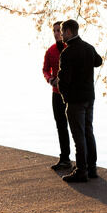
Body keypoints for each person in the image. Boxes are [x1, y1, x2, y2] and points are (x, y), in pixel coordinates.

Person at [56, 19, 103, 183]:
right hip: (89, 97)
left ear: (68, 32)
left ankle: (81, 170)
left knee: (78, 135)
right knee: (88, 131)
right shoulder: (88, 48)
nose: (61, 36)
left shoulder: (67, 53)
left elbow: (64, 80)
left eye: (62, 32)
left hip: (75, 100)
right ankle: (92, 168)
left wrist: (64, 96)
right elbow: (99, 61)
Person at [42, 21, 72, 171]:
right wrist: (50, 79)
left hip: (71, 93)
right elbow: (45, 69)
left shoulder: (71, 49)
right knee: (61, 126)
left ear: (66, 32)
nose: (56, 33)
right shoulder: (50, 51)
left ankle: (81, 161)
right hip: (56, 94)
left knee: (75, 126)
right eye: (54, 31)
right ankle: (65, 158)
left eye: (59, 31)